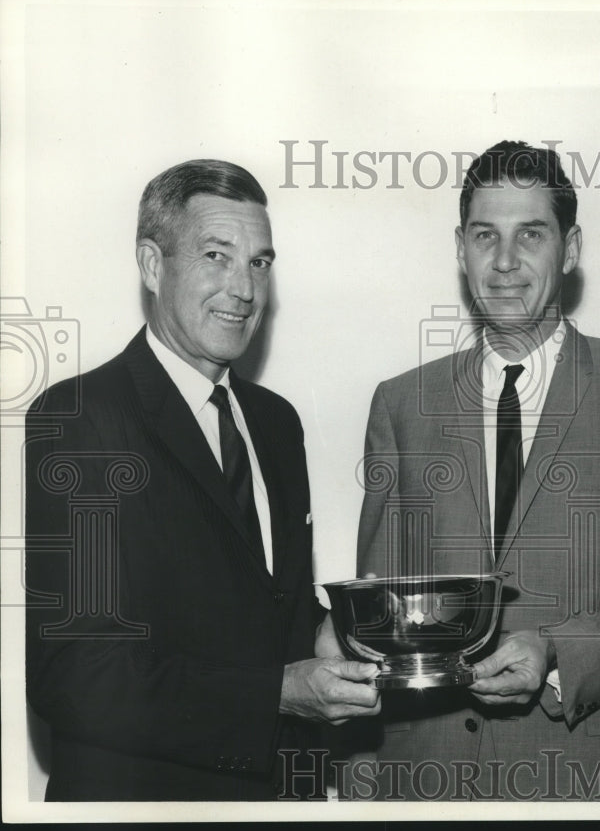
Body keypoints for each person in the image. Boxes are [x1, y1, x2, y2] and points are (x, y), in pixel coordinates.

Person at [350, 141, 600, 800]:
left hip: (591, 781)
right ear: (461, 250)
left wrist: (556, 653)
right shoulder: (400, 405)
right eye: (486, 236)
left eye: (531, 235)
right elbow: (381, 617)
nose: (506, 261)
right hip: (426, 782)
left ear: (569, 249)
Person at [24, 159, 380, 801]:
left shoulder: (276, 423)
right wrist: (278, 694)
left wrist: (342, 631)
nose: (243, 288)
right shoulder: (82, 418)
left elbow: (263, 604)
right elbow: (73, 674)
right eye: (217, 255)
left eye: (259, 263)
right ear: (153, 265)